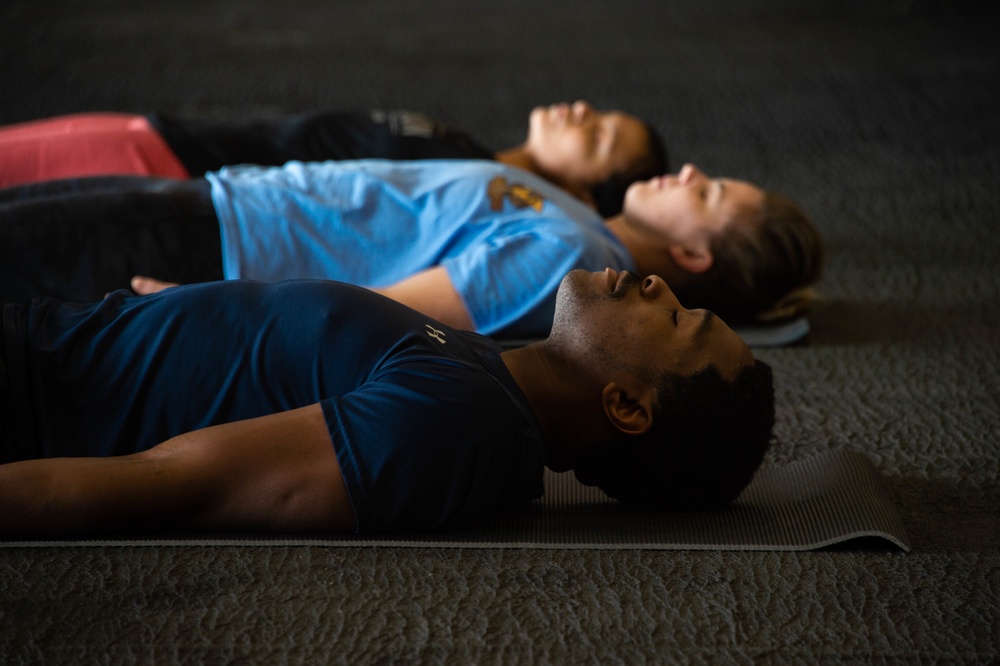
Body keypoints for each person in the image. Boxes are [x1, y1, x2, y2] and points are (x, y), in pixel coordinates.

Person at [0, 268, 775, 537]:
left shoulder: (456, 425)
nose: (654, 285)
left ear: (627, 408)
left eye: (675, 317)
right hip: (47, 338)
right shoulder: (487, 375)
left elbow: (179, 481)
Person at [0, 160, 823, 339]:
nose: (687, 172)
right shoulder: (582, 218)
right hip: (212, 203)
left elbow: (380, 313)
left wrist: (197, 310)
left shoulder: (563, 255)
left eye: (707, 193)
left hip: (206, 245)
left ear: (694, 257)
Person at [0, 101, 668, 217]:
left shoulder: (468, 182)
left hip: (165, 170)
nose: (583, 111)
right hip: (163, 136)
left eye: (602, 136)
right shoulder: (465, 149)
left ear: (584, 195)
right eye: (603, 113)